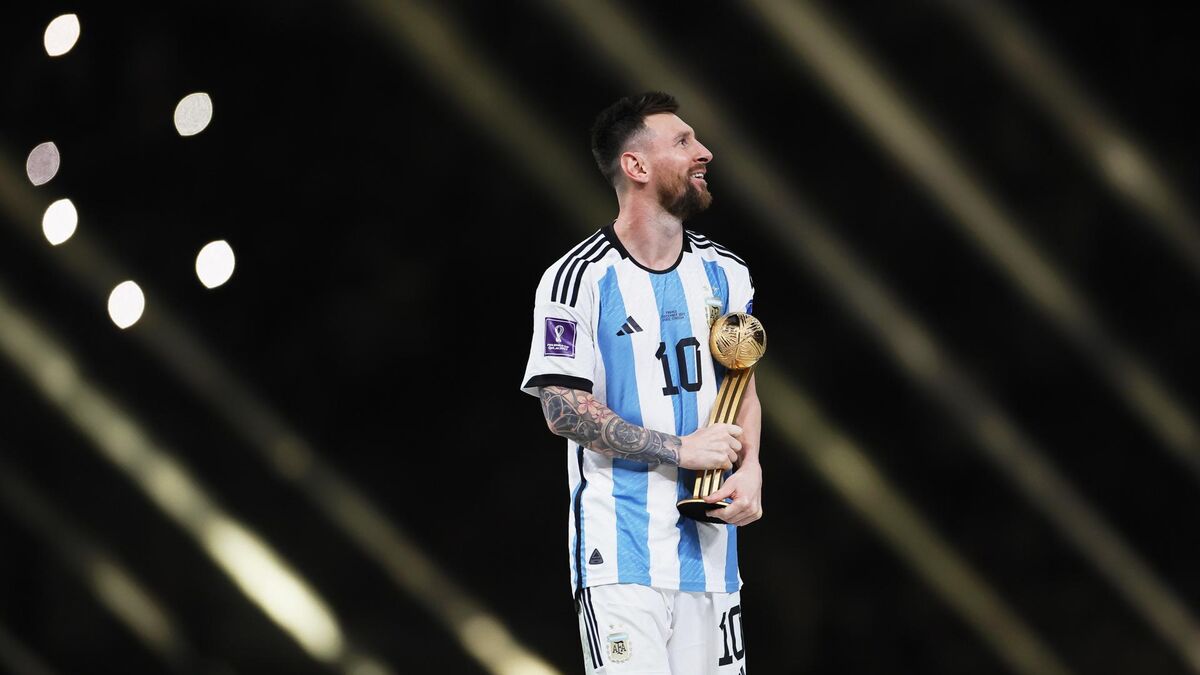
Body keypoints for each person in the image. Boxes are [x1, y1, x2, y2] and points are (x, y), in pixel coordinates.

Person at [520, 92, 762, 674]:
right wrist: (681, 449)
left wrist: (751, 466)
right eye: (683, 141)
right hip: (621, 556)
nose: (705, 152)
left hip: (711, 557)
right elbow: (563, 408)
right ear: (636, 165)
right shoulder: (576, 278)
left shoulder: (726, 273)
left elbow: (744, 385)